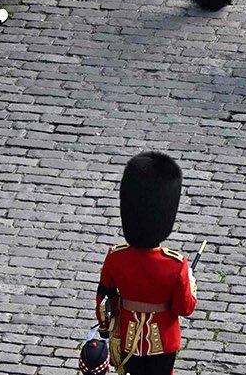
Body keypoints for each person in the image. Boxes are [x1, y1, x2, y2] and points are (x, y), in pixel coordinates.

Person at [97, 152, 198, 375]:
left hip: (126, 337)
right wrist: (190, 282)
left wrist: (105, 328)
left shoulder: (116, 257)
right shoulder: (176, 265)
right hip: (163, 342)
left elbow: (104, 299)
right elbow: (185, 307)